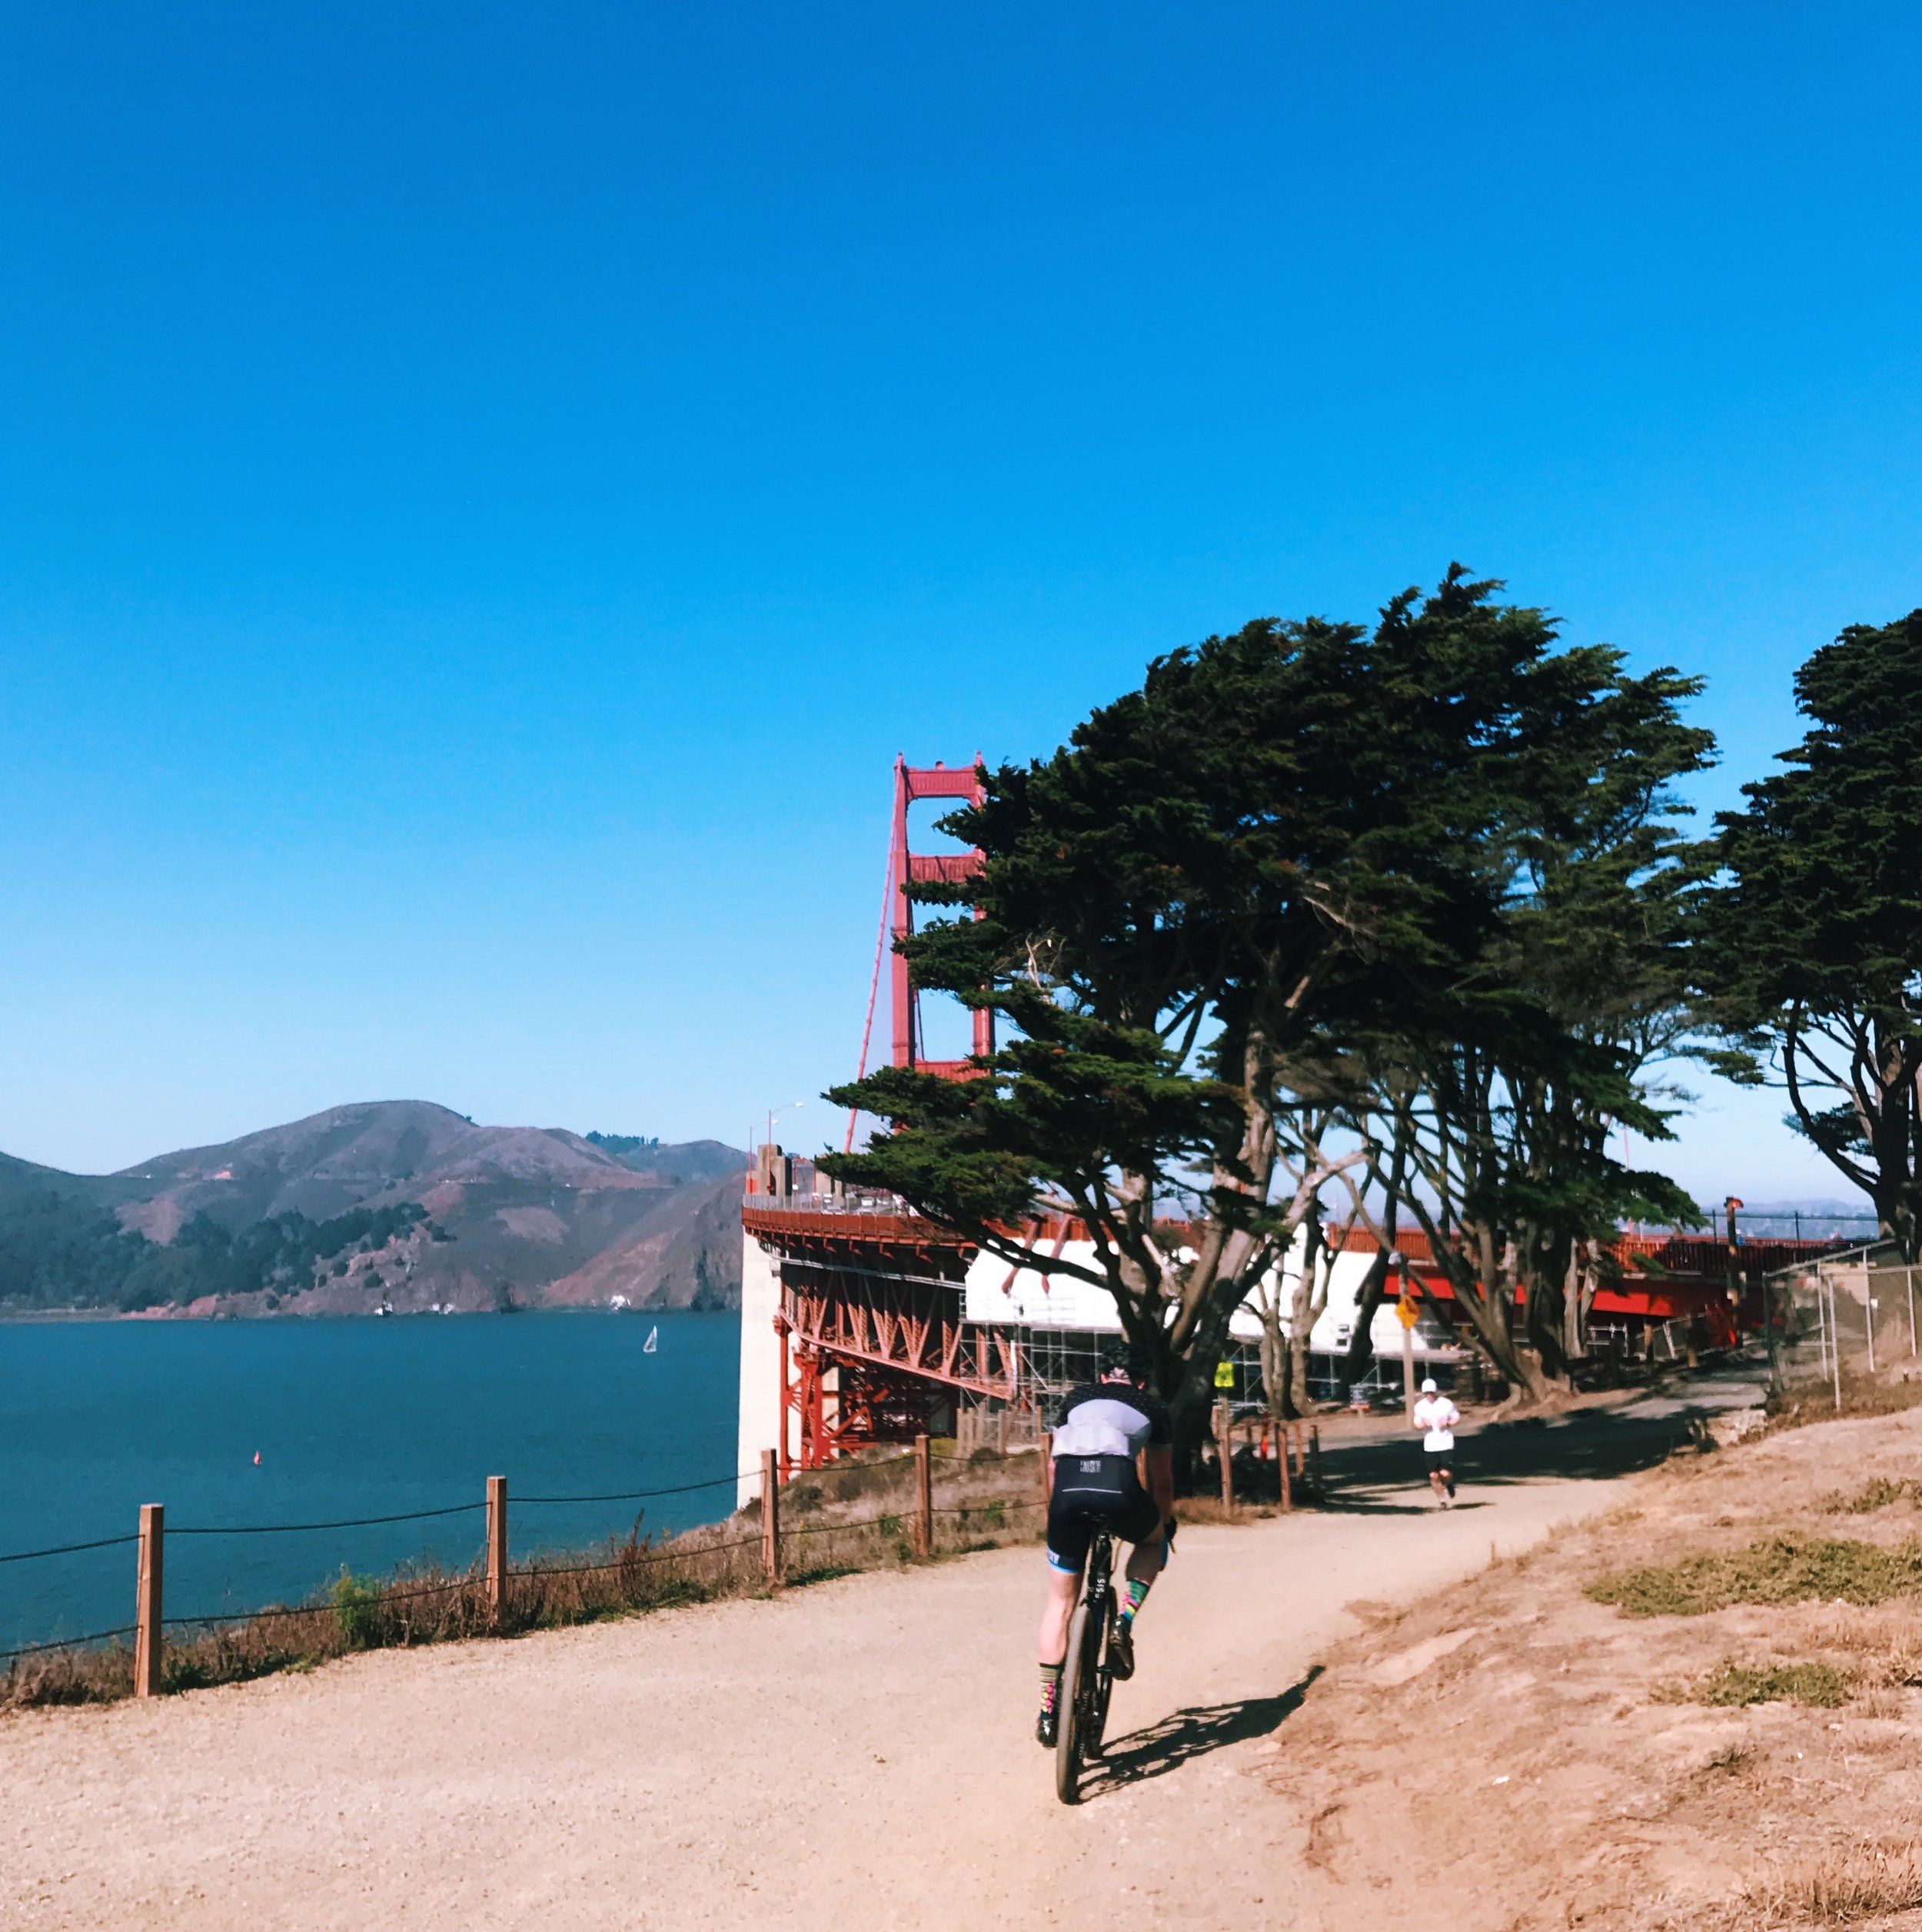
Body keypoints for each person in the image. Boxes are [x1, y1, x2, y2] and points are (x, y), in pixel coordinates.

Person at [1035, 1340, 1175, 1747]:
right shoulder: (1153, 1407)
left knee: (1058, 1605)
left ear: (1101, 1376)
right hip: (1120, 1492)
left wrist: (1056, 1516)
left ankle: (1047, 1712)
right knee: (1152, 1544)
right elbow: (1163, 1483)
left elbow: (1053, 1466)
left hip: (1067, 1497)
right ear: (1143, 1382)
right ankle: (1123, 1622)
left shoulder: (1076, 1399)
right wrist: (1163, 1525)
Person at [1412, 1375, 1461, 1508]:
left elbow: (1456, 1417)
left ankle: (1449, 1484)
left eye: (1432, 1393)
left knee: (1445, 1473)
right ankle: (1442, 1501)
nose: (1430, 1396)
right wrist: (1423, 1425)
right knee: (1434, 1476)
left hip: (1445, 1443)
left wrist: (1448, 1423)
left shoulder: (1446, 1404)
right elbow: (1416, 1424)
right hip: (1430, 1445)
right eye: (1427, 1393)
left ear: (1436, 1392)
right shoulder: (1420, 1407)